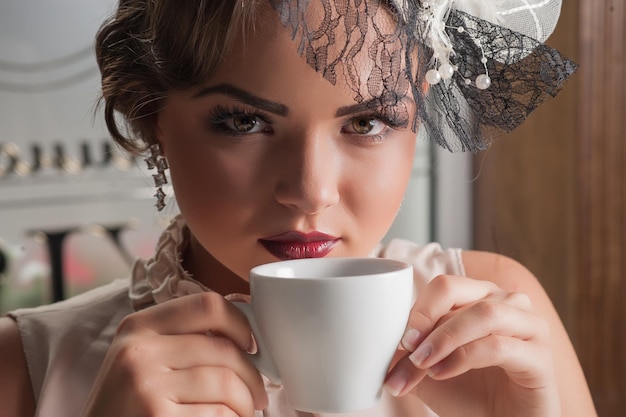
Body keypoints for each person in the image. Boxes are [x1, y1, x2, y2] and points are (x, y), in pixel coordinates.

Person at [0, 0, 596, 416]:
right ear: (153, 117)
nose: (311, 191)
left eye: (366, 122)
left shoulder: (500, 324)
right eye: (244, 121)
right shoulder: (23, 368)